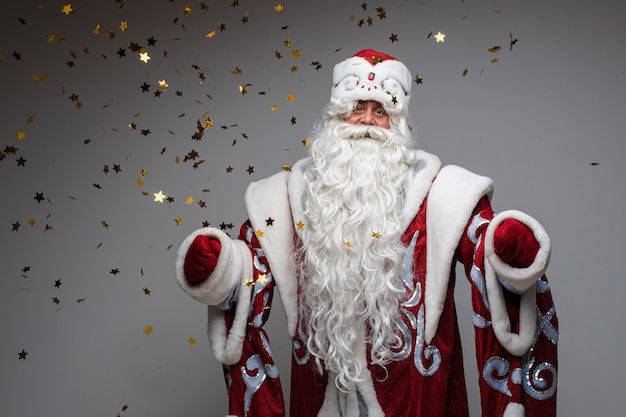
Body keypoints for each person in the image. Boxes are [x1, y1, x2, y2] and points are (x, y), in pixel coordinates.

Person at [175, 49, 558, 417]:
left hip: (412, 392)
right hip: (321, 390)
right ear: (337, 116)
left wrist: (508, 245)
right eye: (357, 108)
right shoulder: (288, 196)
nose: (368, 121)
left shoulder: (442, 191)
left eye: (381, 111)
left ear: (398, 122)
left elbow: (482, 243)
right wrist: (218, 264)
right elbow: (252, 267)